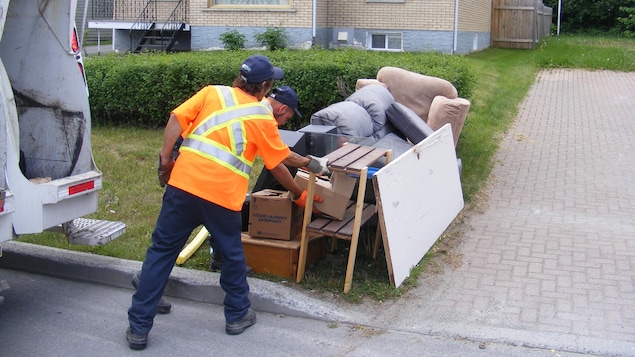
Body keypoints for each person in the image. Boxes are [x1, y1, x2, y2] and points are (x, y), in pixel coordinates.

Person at [126, 54, 329, 350]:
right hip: (221, 198)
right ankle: (236, 316)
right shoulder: (262, 117)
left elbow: (175, 119)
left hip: (182, 187)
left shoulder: (212, 92)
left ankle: (138, 328)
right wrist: (310, 168)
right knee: (233, 257)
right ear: (265, 86)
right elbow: (280, 158)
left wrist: (166, 160)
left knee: (161, 251)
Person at [209, 85, 303, 271]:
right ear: (282, 109)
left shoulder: (251, 106)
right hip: (221, 174)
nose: (283, 123)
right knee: (228, 216)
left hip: (202, 166)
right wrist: (300, 193)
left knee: (195, 219)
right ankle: (229, 266)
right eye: (287, 118)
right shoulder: (263, 119)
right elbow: (278, 164)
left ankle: (219, 258)